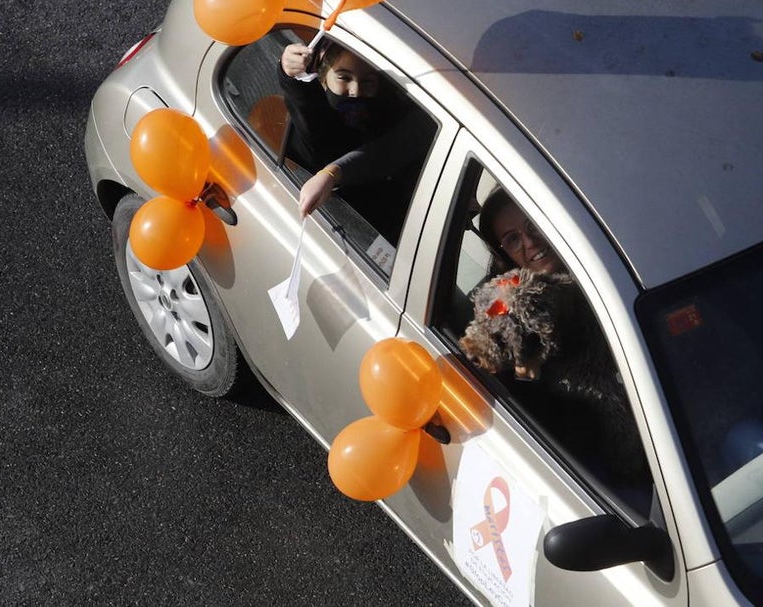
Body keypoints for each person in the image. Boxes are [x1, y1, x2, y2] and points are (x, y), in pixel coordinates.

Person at [460, 187, 650, 486]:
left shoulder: (614, 258)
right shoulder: (510, 307)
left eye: (533, 225)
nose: (530, 241)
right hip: (614, 459)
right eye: (512, 239)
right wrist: (526, 372)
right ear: (504, 254)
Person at [277, 39, 431, 241]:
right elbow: (305, 106)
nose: (355, 90)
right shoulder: (317, 126)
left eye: (368, 81)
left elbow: (392, 148)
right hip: (335, 233)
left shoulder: (392, 115)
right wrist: (288, 72)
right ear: (323, 79)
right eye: (343, 77)